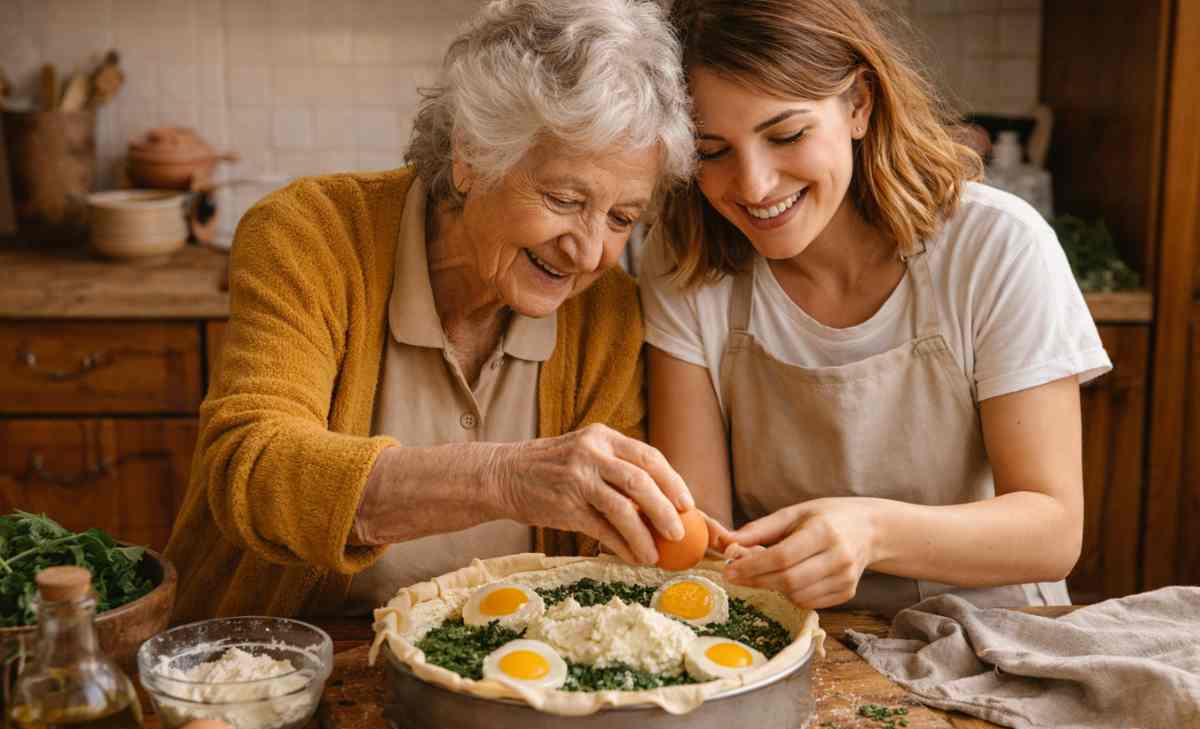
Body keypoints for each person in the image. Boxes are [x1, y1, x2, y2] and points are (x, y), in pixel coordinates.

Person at [166, 0, 696, 621]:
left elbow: (598, 561)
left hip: (499, 680)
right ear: (471, 157)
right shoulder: (309, 234)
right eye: (562, 198)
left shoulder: (608, 313)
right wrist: (503, 477)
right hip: (285, 662)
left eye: (621, 218)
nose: (587, 251)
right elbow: (254, 470)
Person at [641, 0, 1112, 615]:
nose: (754, 185)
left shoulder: (998, 245)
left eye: (786, 135)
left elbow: (1052, 531)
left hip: (998, 634)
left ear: (859, 105)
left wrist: (870, 533)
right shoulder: (686, 260)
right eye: (712, 151)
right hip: (801, 638)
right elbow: (701, 539)